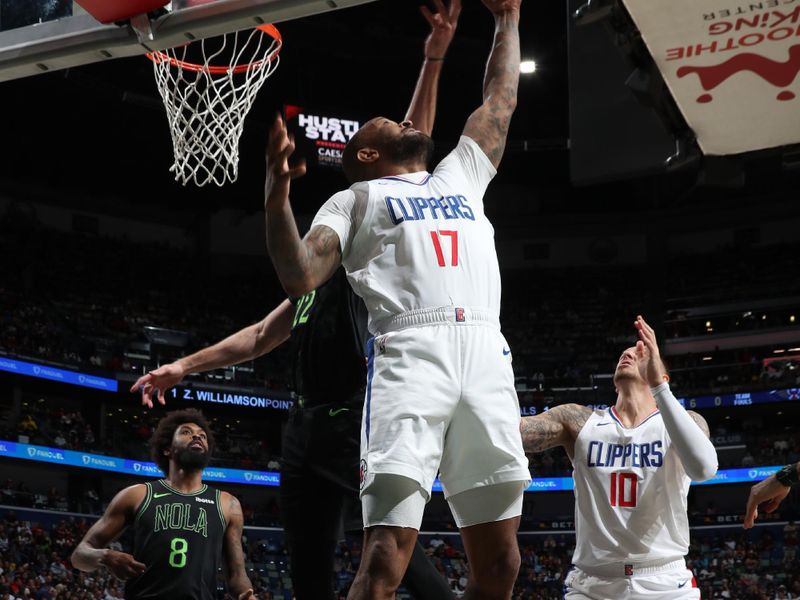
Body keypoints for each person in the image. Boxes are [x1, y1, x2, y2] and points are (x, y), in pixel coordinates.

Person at [131, 3, 462, 599]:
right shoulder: (317, 278)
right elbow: (259, 336)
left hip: (355, 419)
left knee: (396, 555)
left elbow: (410, 156)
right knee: (309, 569)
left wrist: (432, 60)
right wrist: (182, 365)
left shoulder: (368, 250)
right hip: (302, 429)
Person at [263, 0, 530, 597]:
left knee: (503, 561)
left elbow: (501, 100)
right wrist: (277, 196)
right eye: (390, 123)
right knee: (385, 557)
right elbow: (300, 273)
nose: (406, 122)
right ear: (365, 155)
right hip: (411, 352)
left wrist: (507, 18)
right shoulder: (356, 201)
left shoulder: (458, 172)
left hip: (487, 349)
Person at [520, 316, 718, 600]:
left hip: (664, 582)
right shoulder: (579, 421)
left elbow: (704, 468)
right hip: (592, 584)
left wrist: (659, 387)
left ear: (661, 373)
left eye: (641, 353)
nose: (629, 353)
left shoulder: (685, 422)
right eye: (626, 353)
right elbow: (518, 433)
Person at [71, 408, 254, 600]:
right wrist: (107, 557)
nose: (196, 437)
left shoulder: (228, 504)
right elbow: (79, 556)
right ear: (167, 449)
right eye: (186, 432)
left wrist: (247, 596)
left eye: (202, 436)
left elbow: (237, 576)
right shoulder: (137, 495)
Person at [744, 461, 799, 529]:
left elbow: (770, 508)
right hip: (782, 480)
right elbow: (770, 508)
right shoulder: (757, 493)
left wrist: (749, 518)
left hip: (784, 484)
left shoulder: (783, 491)